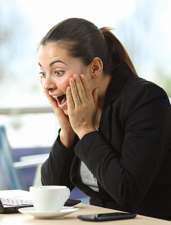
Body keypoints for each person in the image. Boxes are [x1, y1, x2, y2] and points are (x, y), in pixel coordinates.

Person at [39, 18, 171, 221]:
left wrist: (85, 130)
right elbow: (53, 190)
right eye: (42, 72)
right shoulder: (79, 111)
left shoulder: (146, 99)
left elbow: (127, 194)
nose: (47, 84)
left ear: (94, 68)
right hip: (100, 218)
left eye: (58, 72)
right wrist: (67, 132)